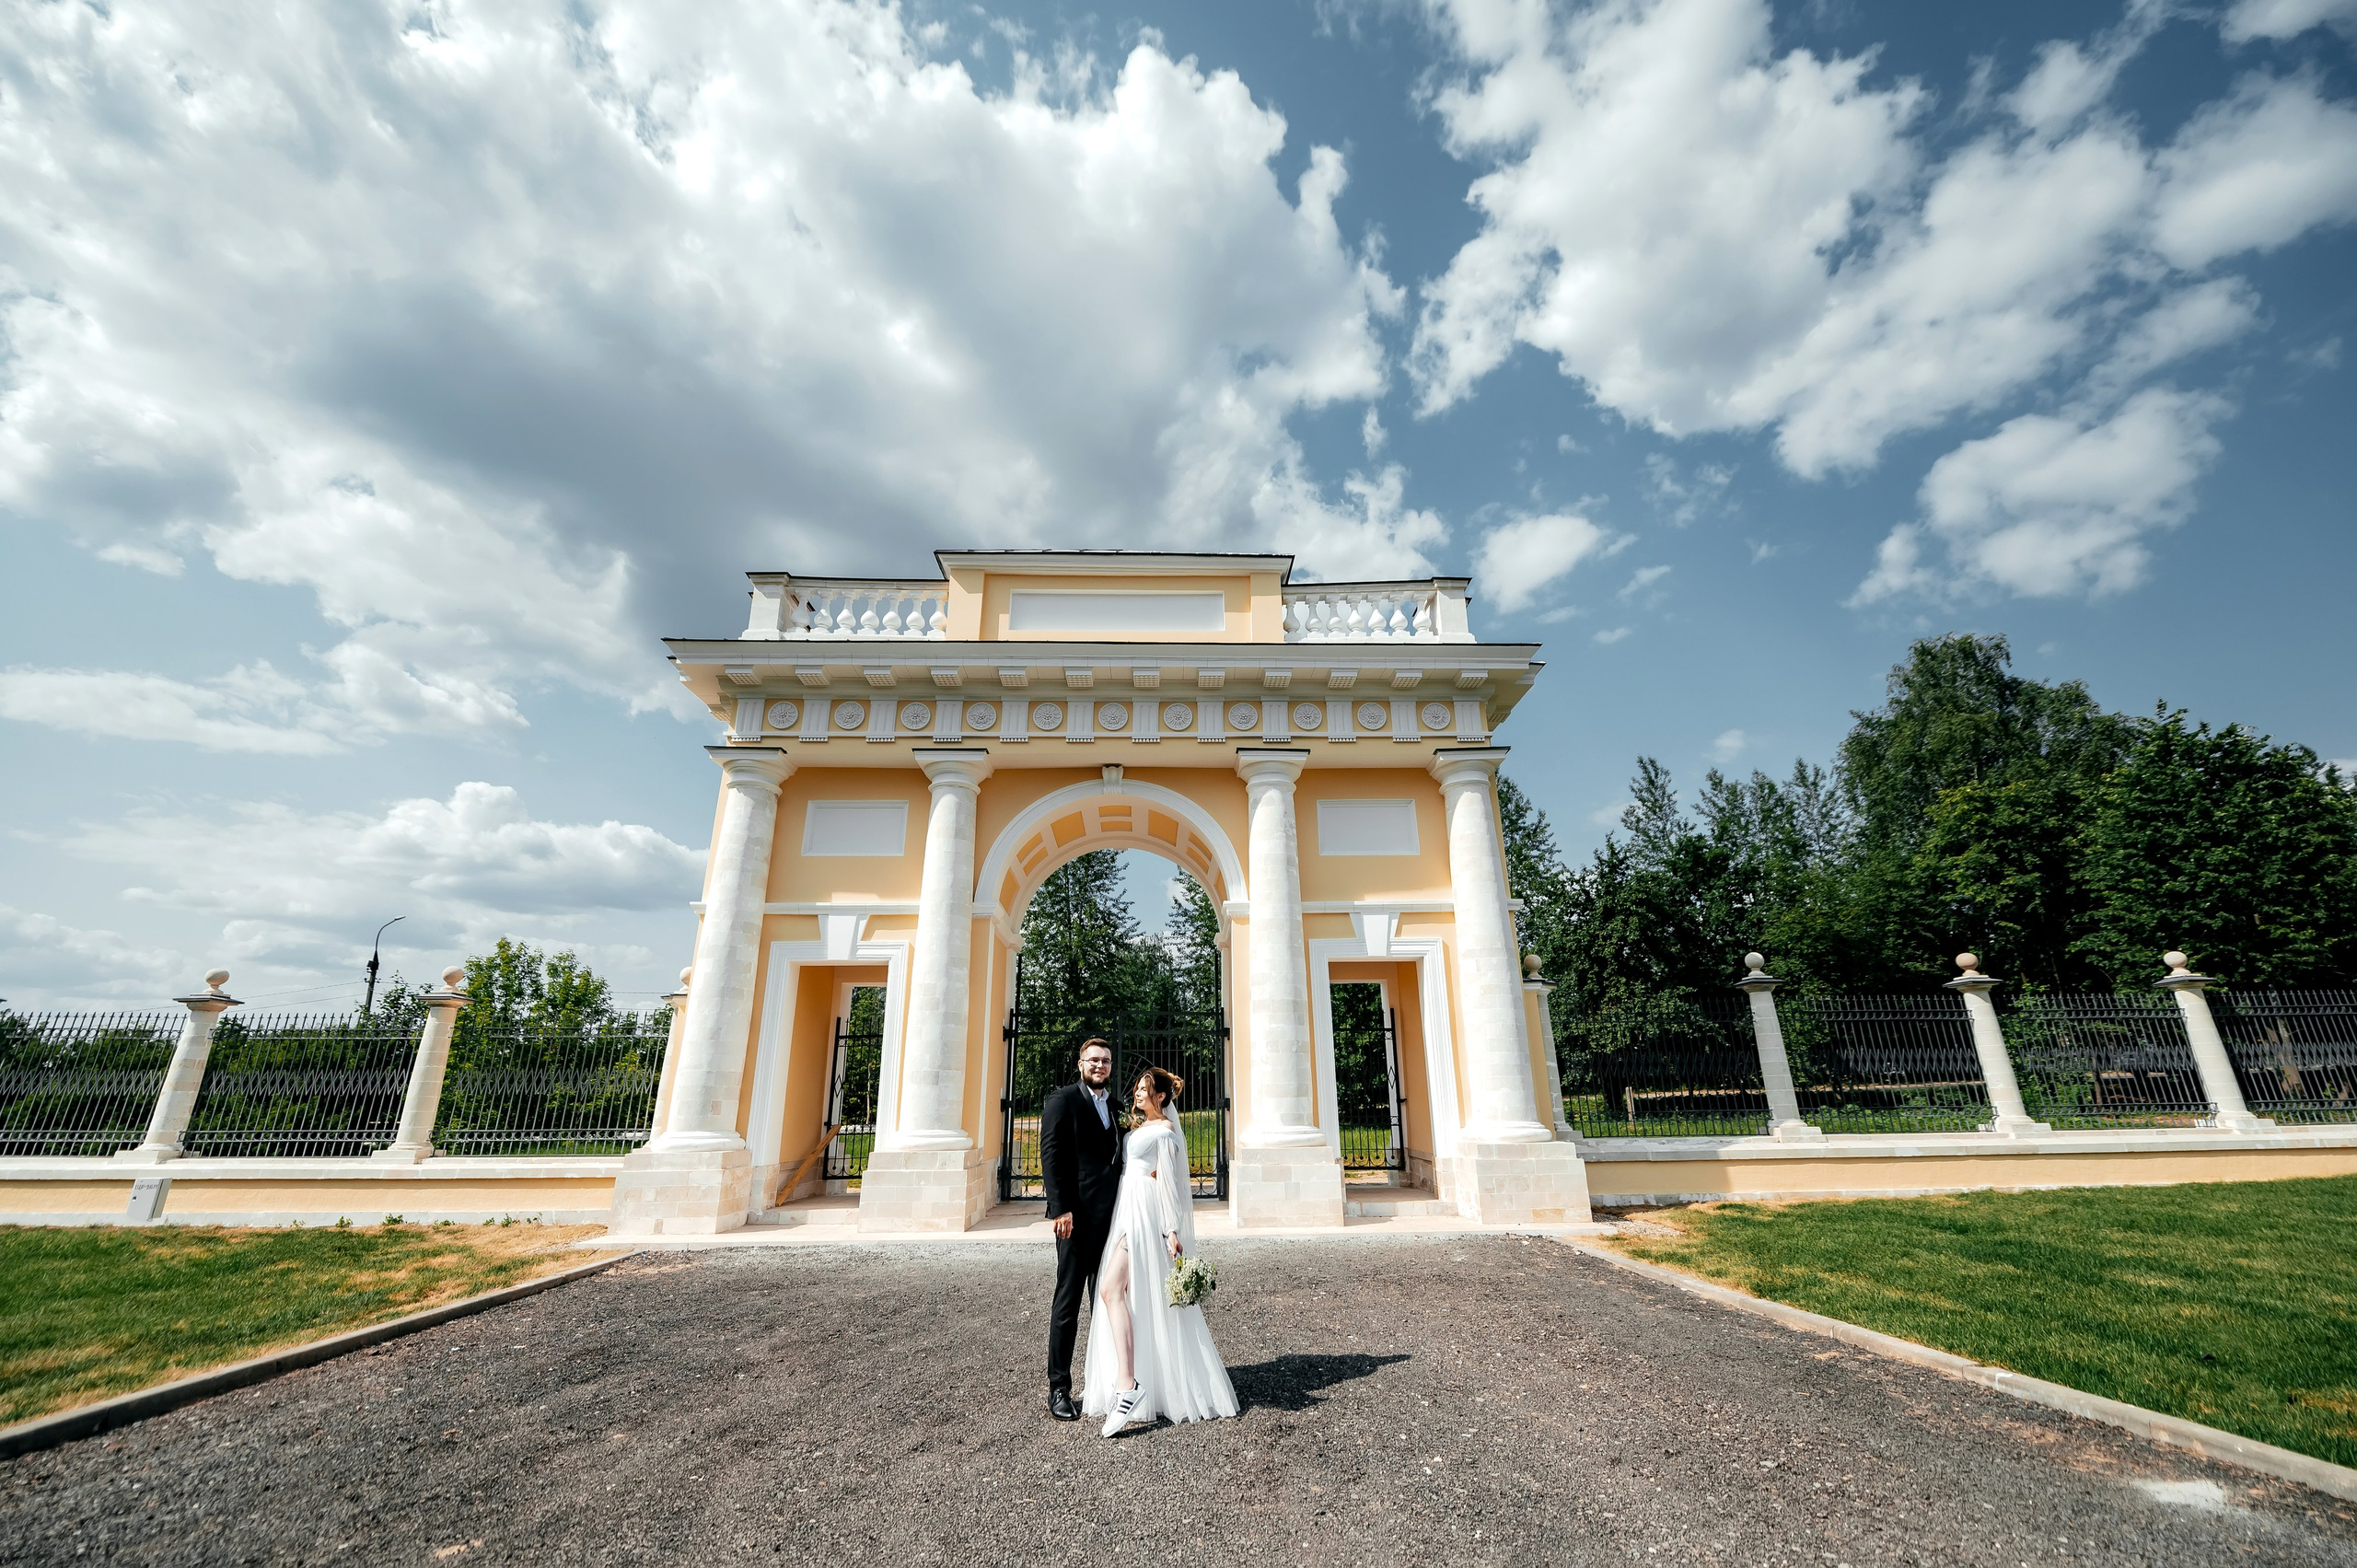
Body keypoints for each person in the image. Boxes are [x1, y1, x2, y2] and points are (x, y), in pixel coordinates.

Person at [1082, 1064, 1238, 1437]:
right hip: (1127, 1206)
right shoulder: (1140, 1127)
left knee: (1109, 1290)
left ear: (1161, 1098)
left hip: (1143, 1213)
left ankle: (1128, 1386)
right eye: (1136, 1089)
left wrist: (1170, 1230)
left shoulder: (1166, 1131)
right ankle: (1130, 1382)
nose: (1136, 1094)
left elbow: (1168, 1183)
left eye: (1143, 1090)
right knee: (1117, 1293)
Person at [1041, 1039, 1121, 1422]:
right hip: (1075, 1219)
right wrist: (1060, 1208)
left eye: (1105, 1061)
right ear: (1080, 1064)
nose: (1100, 1066)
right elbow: (1052, 1154)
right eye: (1094, 1060)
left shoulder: (1118, 1105)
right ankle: (1059, 1387)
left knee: (1106, 1301)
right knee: (1068, 1301)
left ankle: (1103, 1382)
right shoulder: (1063, 1101)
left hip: (1111, 1219)